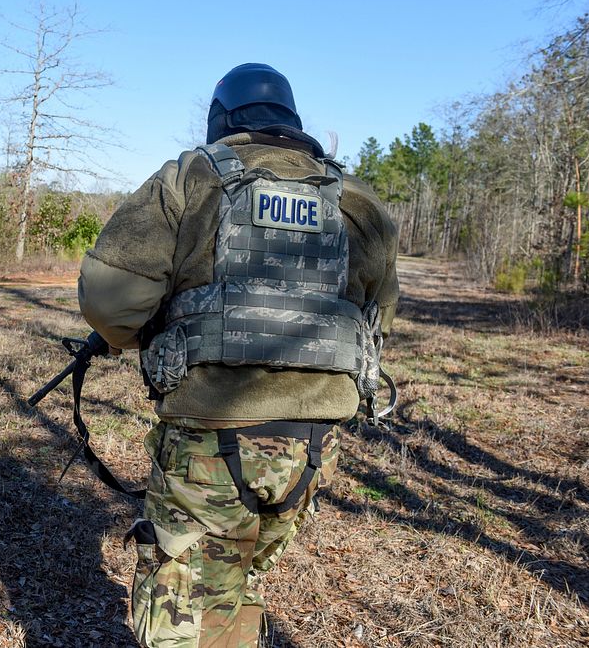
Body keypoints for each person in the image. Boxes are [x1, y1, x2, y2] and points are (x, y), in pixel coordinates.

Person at [78, 63, 399, 646]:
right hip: (311, 449)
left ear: (222, 119)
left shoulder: (190, 178)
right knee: (236, 585)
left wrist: (145, 332)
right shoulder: (356, 199)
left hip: (210, 436)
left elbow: (109, 297)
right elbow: (379, 318)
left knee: (184, 610)